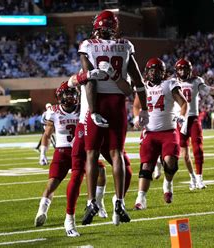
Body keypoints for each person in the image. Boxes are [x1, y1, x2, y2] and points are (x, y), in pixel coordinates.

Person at [73, 10, 149, 226]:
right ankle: (120, 202)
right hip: (117, 102)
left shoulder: (88, 45)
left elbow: (90, 81)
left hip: (99, 101)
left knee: (91, 155)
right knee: (117, 154)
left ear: (97, 25)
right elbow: (138, 82)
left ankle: (91, 203)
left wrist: (94, 110)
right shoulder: (125, 45)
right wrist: (144, 109)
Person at [65, 70, 134, 236]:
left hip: (109, 125)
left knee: (128, 171)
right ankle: (70, 219)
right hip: (87, 125)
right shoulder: (89, 66)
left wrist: (115, 75)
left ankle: (117, 202)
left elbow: (129, 89)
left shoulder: (118, 66)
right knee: (77, 174)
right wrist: (87, 75)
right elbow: (70, 82)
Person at [132, 57, 188, 210]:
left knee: (170, 161)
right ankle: (141, 198)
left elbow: (183, 103)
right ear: (146, 72)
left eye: (157, 71)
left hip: (168, 131)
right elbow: (136, 106)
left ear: (163, 72)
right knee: (146, 166)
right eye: (151, 70)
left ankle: (168, 184)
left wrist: (182, 117)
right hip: (149, 132)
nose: (153, 73)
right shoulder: (143, 87)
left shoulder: (169, 84)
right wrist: (137, 117)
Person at [173, 58, 214, 190]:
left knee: (198, 149)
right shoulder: (171, 83)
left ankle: (200, 178)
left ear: (189, 70)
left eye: (185, 69)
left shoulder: (196, 81)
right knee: (184, 155)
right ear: (176, 70)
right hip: (179, 120)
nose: (183, 71)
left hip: (193, 118)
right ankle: (192, 177)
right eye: (180, 69)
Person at [34, 82, 79, 228]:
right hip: (62, 151)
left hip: (80, 151)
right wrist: (42, 153)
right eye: (67, 94)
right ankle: (42, 211)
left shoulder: (83, 108)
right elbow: (47, 135)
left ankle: (98, 204)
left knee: (99, 174)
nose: (70, 96)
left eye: (72, 93)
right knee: (52, 183)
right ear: (60, 96)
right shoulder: (53, 111)